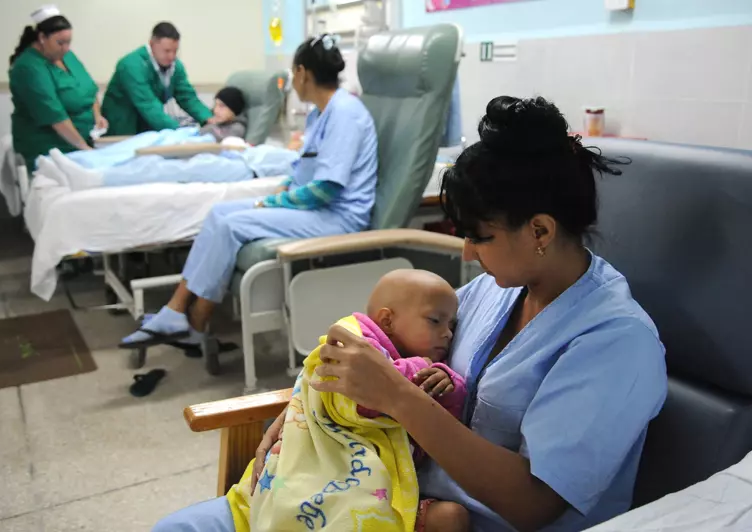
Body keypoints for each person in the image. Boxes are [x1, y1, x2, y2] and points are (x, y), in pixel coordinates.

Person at [152, 96, 668, 532]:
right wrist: (300, 412)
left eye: (479, 236)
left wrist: (398, 398)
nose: (468, 253)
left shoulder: (616, 342)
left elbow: (535, 504)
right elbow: (387, 348)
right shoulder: (499, 289)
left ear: (540, 231)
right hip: (367, 486)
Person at [119, 34, 379, 351]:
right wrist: (281, 194)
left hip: (338, 217)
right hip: (316, 209)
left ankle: (196, 322)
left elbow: (326, 188)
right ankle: (175, 311)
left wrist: (268, 202)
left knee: (232, 224)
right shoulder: (319, 114)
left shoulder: (345, 113)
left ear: (302, 73)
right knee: (218, 212)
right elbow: (302, 172)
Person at [229, 270, 469, 532]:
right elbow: (360, 398)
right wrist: (419, 367)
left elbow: (443, 422)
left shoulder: (429, 367)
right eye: (435, 321)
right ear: (387, 320)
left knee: (451, 519)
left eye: (452, 326)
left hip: (386, 482)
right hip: (332, 472)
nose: (447, 333)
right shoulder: (347, 342)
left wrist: (448, 383)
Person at [9, 5, 104, 171]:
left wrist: (97, 117)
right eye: (60, 43)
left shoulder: (66, 56)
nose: (66, 48)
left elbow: (90, 90)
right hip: (51, 148)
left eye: (69, 42)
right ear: (42, 38)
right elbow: (55, 117)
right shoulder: (29, 68)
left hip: (81, 142)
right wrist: (85, 149)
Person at [101, 22, 217, 136]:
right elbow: (148, 104)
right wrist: (177, 130)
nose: (171, 56)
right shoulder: (131, 66)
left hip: (149, 123)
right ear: (152, 44)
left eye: (175, 51)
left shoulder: (175, 67)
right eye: (166, 51)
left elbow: (188, 97)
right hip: (123, 125)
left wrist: (208, 118)